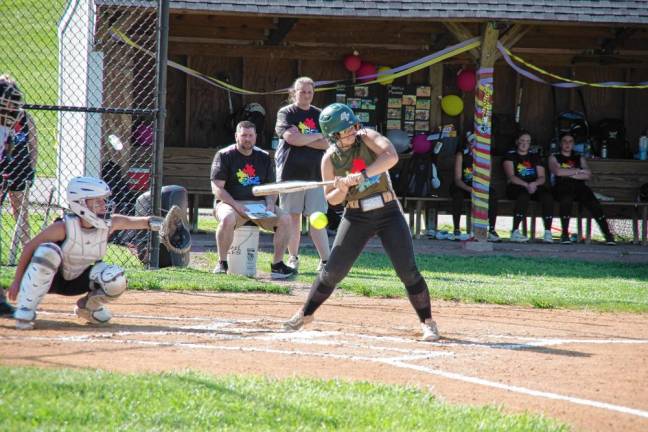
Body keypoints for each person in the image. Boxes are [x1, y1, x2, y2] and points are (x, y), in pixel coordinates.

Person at [283, 103, 440, 341]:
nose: (352, 131)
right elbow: (332, 200)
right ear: (333, 135)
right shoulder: (329, 159)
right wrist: (343, 187)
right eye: (345, 130)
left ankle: (428, 322)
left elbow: (391, 156)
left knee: (407, 270)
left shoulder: (367, 136)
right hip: (356, 216)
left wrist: (364, 174)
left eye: (352, 126)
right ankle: (306, 314)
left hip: (388, 212)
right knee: (333, 270)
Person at [5, 176, 167, 330]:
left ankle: (87, 307)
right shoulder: (62, 227)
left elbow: (142, 222)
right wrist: (17, 281)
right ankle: (26, 308)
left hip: (77, 281)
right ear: (81, 204)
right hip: (49, 279)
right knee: (48, 251)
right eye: (98, 201)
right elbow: (29, 248)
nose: (104, 205)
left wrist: (164, 225)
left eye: (104, 200)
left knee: (115, 277)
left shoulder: (109, 224)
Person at [211, 120, 296, 279]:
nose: (247, 139)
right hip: (230, 204)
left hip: (259, 206)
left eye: (250, 135)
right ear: (236, 136)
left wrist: (270, 203)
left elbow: (271, 186)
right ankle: (222, 263)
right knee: (228, 219)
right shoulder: (224, 155)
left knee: (285, 218)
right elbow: (217, 188)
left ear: (256, 137)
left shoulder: (263, 156)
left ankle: (277, 265)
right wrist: (236, 205)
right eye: (244, 135)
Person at [274, 77, 330, 272]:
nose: (306, 95)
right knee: (292, 219)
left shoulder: (321, 115)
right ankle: (293, 258)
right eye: (302, 91)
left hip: (316, 175)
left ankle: (325, 261)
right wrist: (315, 136)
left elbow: (328, 143)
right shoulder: (286, 113)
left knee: (317, 218)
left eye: (309, 92)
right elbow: (290, 138)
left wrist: (303, 138)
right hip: (291, 174)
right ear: (293, 92)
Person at [548, 133, 615, 245]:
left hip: (579, 187)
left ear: (574, 144)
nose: (567, 144)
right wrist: (578, 171)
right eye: (565, 141)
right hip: (562, 187)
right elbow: (558, 172)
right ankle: (564, 234)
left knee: (593, 203)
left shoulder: (579, 157)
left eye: (570, 141)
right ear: (560, 143)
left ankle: (608, 235)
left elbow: (588, 174)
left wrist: (568, 173)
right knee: (566, 200)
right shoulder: (554, 157)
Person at [0, 75, 37, 248]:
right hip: (2, 167)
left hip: (20, 168)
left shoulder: (24, 118)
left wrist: (32, 168)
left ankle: (26, 248)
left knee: (21, 211)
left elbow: (33, 145)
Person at [502, 130, 554, 243]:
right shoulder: (510, 156)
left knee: (547, 196)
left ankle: (548, 232)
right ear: (517, 142)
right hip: (516, 186)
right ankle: (515, 231)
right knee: (523, 195)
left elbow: (542, 177)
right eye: (522, 141)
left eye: (527, 141)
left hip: (533, 186)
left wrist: (534, 184)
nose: (525, 144)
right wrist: (526, 184)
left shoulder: (535, 157)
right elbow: (511, 177)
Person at [448, 133, 499, 242]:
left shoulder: (486, 156)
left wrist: (480, 190)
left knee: (493, 194)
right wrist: (470, 189)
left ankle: (492, 229)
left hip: (480, 187)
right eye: (473, 143)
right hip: (463, 186)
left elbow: (487, 178)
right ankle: (457, 228)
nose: (475, 146)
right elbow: (457, 179)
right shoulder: (461, 155)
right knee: (458, 195)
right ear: (468, 143)